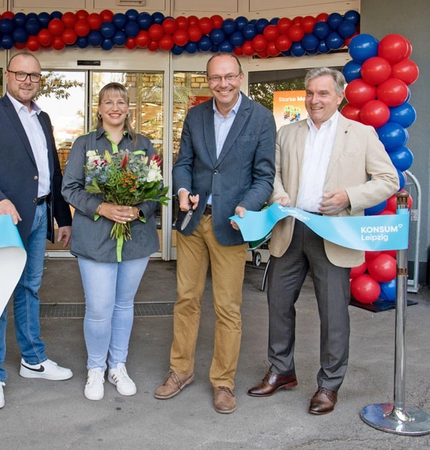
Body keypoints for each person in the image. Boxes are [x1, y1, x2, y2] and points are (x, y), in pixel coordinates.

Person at [247, 67, 399, 415]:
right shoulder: (287, 133)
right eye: (311, 93)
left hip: (334, 232)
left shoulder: (361, 134)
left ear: (339, 97)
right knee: (278, 303)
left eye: (323, 94)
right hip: (290, 229)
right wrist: (280, 194)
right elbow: (274, 175)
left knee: (333, 314)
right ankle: (282, 371)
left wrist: (349, 195)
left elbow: (388, 178)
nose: (315, 100)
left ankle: (329, 385)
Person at [155, 53, 276, 414]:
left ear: (240, 78)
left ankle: (223, 382)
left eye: (228, 77)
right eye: (214, 78)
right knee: (186, 300)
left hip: (232, 223)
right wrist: (181, 191)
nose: (222, 84)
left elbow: (264, 176)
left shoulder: (261, 118)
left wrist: (248, 205)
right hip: (194, 222)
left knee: (228, 308)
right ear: (208, 81)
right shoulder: (196, 115)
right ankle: (181, 371)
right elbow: (184, 163)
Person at [0, 51, 73, 411]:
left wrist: (64, 217)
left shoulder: (43, 118)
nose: (28, 81)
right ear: (7, 76)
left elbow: (52, 173)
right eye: (21, 74)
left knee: (30, 288)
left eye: (35, 76)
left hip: (41, 213)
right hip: (4, 219)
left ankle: (33, 359)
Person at [61, 82, 160, 401]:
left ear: (128, 107)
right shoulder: (84, 144)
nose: (115, 107)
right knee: (100, 308)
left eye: (121, 102)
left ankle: (118, 364)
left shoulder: (144, 145)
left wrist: (138, 209)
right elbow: (70, 188)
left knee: (124, 305)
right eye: (108, 102)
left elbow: (156, 192)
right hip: (95, 240)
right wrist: (101, 206)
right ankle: (95, 369)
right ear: (99, 108)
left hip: (135, 241)